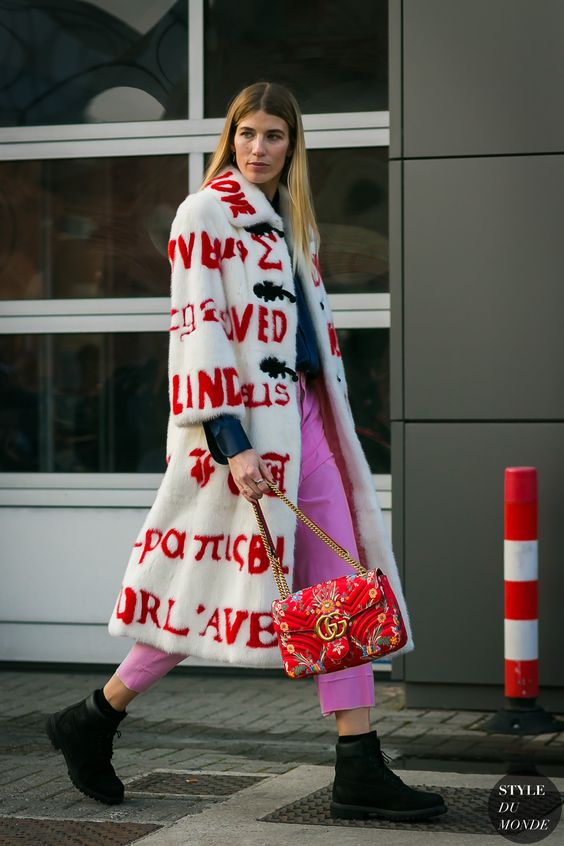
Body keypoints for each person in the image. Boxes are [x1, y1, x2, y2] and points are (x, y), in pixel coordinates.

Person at [45, 82, 446, 822]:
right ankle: (93, 718)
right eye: (247, 134)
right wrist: (232, 444)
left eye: (275, 136)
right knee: (203, 593)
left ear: (294, 146)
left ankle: (358, 767)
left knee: (336, 588)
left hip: (304, 422)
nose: (258, 148)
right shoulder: (205, 214)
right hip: (239, 436)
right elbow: (198, 334)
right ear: (229, 138)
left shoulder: (293, 223)